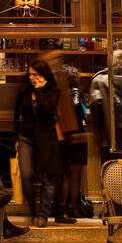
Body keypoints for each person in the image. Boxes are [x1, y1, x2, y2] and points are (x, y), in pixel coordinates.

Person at [13, 58, 62, 227]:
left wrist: (40, 90)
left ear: (44, 75)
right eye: (31, 74)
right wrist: (16, 138)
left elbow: (48, 109)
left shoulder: (53, 91)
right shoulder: (24, 91)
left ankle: (43, 214)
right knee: (26, 176)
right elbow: (17, 114)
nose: (32, 78)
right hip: (26, 136)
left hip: (46, 138)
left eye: (36, 75)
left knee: (48, 178)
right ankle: (33, 210)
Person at [43, 52, 88, 222]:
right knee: (74, 174)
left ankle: (64, 207)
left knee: (64, 175)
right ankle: (74, 208)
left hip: (64, 139)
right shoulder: (74, 92)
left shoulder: (60, 94)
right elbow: (78, 110)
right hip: (75, 137)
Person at [90, 49, 122, 156]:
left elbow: (96, 107)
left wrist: (100, 129)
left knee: (109, 167)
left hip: (109, 134)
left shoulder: (99, 79)